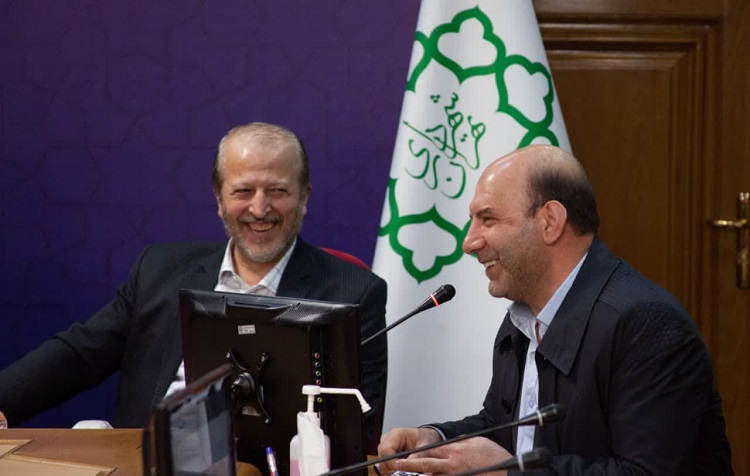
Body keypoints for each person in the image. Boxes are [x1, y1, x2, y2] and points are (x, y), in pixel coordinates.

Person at [0, 122, 388, 444]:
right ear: (219, 199)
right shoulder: (159, 269)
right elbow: (81, 354)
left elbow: (355, 429)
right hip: (143, 461)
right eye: (243, 191)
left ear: (304, 197)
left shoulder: (354, 294)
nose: (259, 208)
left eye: (278, 191)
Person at [377, 144, 732, 475]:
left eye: (488, 219)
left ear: (550, 221)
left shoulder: (647, 326)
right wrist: (435, 440)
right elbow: (507, 429)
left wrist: (509, 471)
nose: (469, 243)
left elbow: (642, 472)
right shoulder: (524, 314)